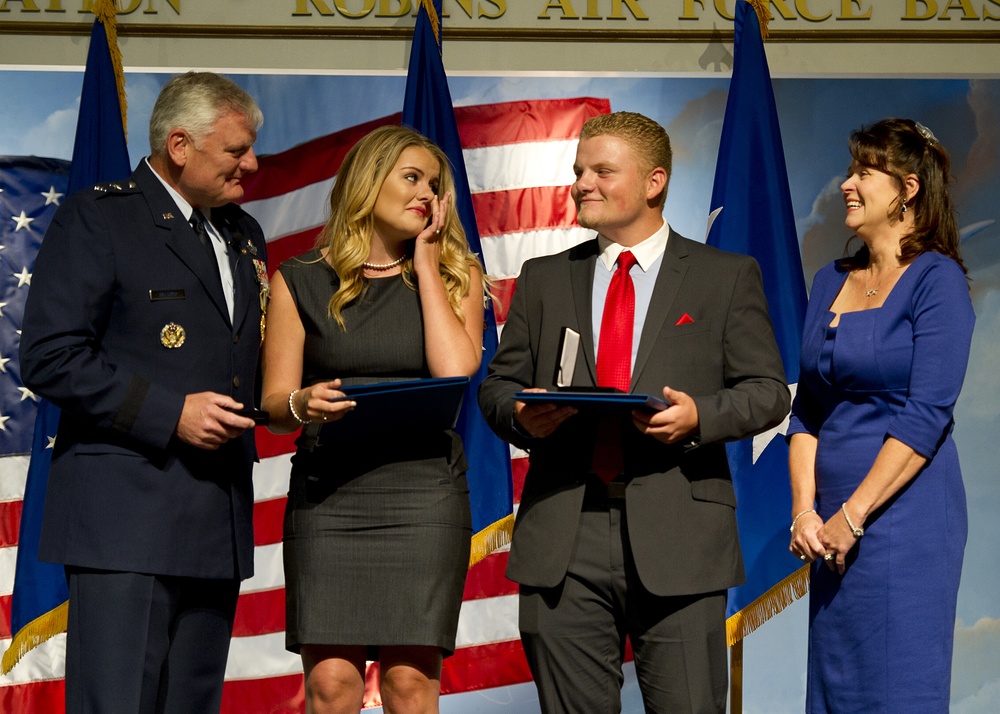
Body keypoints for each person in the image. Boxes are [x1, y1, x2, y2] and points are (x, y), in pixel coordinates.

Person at [478, 111, 790, 713]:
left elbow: (768, 390)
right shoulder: (544, 279)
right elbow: (498, 388)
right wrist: (521, 415)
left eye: (601, 170)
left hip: (681, 536)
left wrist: (700, 416)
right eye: (577, 172)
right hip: (562, 540)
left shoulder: (724, 277)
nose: (581, 184)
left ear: (654, 182)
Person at [19, 72, 267, 713]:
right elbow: (49, 357)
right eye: (237, 150)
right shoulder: (100, 218)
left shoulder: (242, 235)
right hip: (124, 521)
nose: (253, 164)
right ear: (180, 144)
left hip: (216, 520)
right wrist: (170, 414)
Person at [260, 124, 486, 714]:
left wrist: (429, 264)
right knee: (330, 685)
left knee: (410, 684)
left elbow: (455, 370)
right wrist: (301, 404)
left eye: (434, 186)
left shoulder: (460, 273)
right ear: (367, 183)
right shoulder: (300, 278)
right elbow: (274, 407)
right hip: (329, 496)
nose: (425, 195)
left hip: (423, 497)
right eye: (411, 178)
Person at [787, 118, 974, 712]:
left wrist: (853, 515)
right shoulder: (828, 282)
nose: (848, 183)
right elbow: (806, 413)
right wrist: (805, 511)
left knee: (897, 689)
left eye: (864, 172)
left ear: (908, 189)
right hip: (828, 530)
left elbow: (927, 415)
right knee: (836, 690)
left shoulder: (937, 281)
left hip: (903, 522)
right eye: (850, 170)